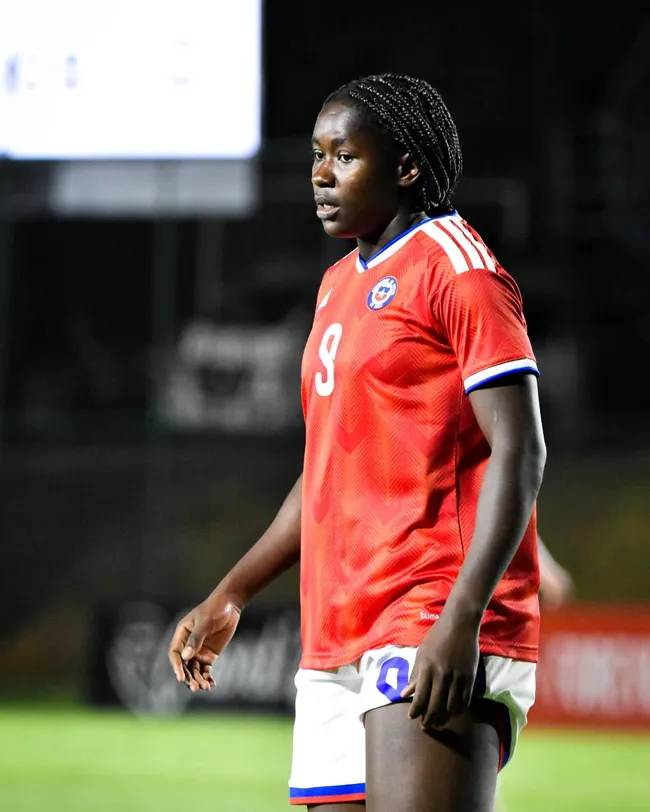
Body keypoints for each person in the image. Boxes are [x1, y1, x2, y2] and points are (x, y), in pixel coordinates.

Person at [168, 73, 547, 812]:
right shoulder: (338, 285)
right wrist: (232, 594)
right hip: (337, 627)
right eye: (316, 155)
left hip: (431, 609)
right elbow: (326, 473)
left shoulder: (457, 269)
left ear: (405, 166)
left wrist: (462, 615)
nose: (319, 173)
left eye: (344, 155)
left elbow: (520, 449)